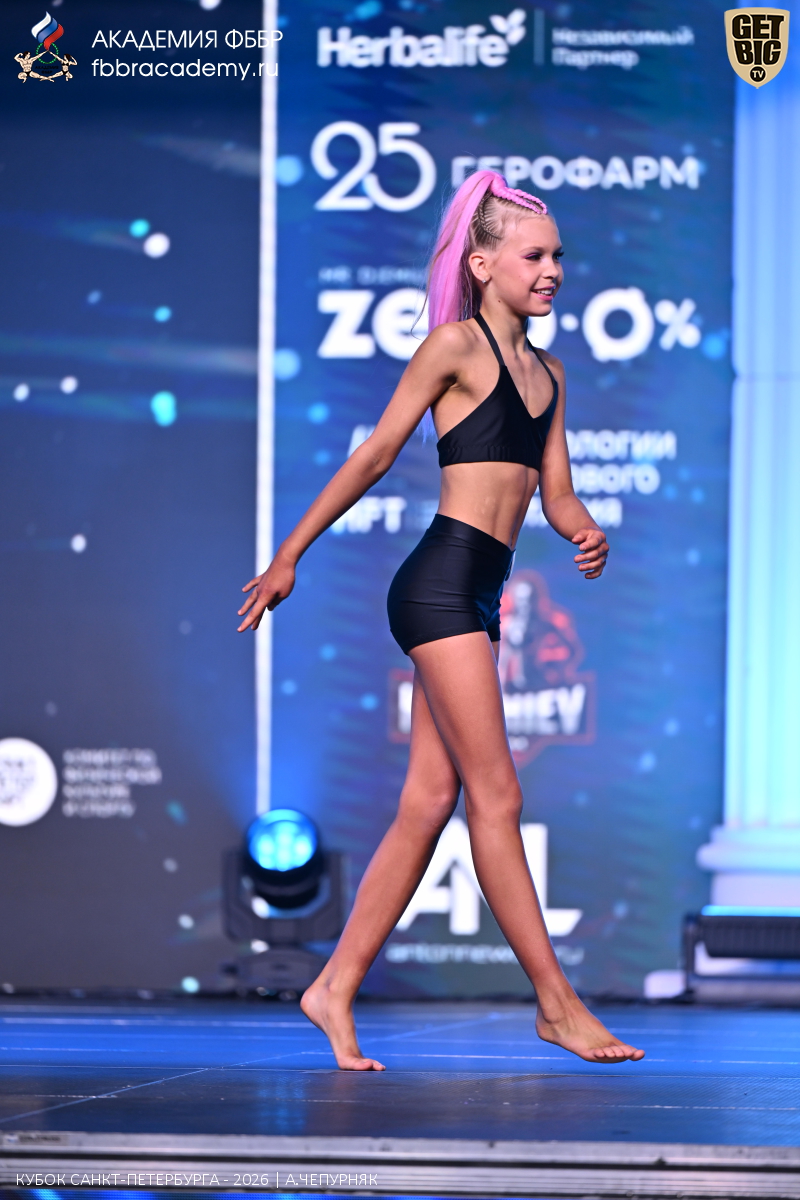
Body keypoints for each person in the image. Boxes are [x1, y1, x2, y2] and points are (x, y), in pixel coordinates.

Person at [238, 170, 645, 1070]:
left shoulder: (550, 373)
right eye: (533, 256)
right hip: (437, 585)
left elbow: (556, 493)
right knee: (497, 797)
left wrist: (584, 531)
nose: (552, 271)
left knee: (429, 801)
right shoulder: (454, 348)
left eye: (557, 257)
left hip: (480, 595)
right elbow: (376, 454)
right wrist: (289, 554)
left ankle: (333, 987)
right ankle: (557, 1005)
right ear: (483, 263)